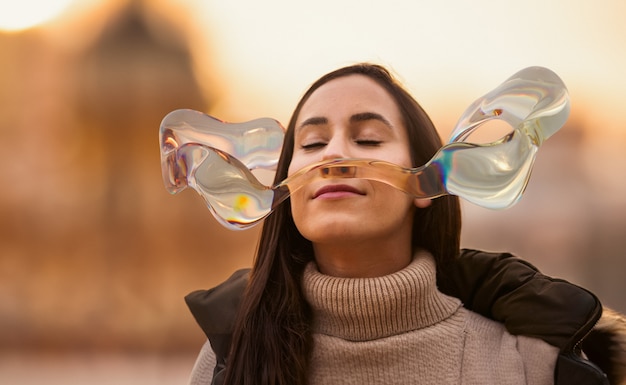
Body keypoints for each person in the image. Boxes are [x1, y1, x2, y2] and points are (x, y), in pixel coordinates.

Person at [183, 63, 626, 384]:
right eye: (313, 142)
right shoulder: (229, 359)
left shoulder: (529, 367)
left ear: (425, 184)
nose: (334, 155)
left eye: (369, 138)